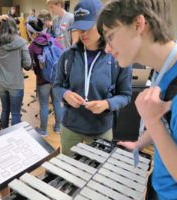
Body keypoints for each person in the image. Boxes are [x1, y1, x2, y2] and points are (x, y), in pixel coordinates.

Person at [97, 0, 177, 199]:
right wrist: (139, 144)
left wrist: (151, 120)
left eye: (110, 37)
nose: (107, 49)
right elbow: (170, 121)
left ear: (138, 24)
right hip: (160, 185)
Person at [52, 0, 132, 156]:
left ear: (103, 25)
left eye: (88, 27)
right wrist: (65, 94)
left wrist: (107, 103)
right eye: (79, 28)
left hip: (100, 129)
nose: (83, 33)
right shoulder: (67, 56)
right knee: (68, 172)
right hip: (70, 127)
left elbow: (125, 95)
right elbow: (56, 86)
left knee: (96, 173)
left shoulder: (118, 57)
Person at [0, 15, 31, 129]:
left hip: (1, 83)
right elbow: (27, 65)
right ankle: (14, 136)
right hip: (16, 84)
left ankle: (3, 132)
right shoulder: (22, 42)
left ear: (0, 26)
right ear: (14, 27)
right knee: (15, 113)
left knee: (5, 110)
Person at [27, 19, 63, 137]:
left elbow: (29, 65)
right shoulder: (52, 39)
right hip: (57, 78)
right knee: (57, 102)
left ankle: (43, 130)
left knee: (44, 104)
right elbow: (63, 54)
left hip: (43, 80)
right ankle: (58, 127)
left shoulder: (32, 46)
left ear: (32, 33)